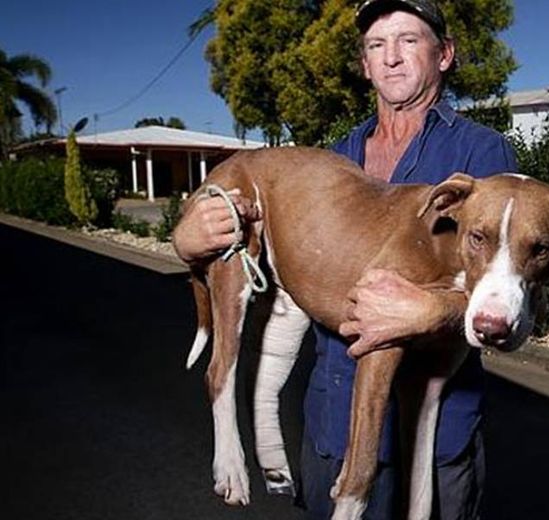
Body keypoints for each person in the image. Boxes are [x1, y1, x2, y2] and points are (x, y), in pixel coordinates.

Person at [171, 1, 517, 519]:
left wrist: (431, 312)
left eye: (408, 41)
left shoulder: (483, 158)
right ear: (364, 65)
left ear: (444, 54)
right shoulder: (333, 160)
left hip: (434, 437)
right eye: (377, 46)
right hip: (332, 426)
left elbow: (512, 294)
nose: (392, 58)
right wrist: (188, 241)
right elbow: (273, 282)